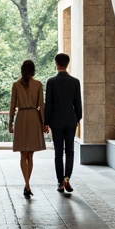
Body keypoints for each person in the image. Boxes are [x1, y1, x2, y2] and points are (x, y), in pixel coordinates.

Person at [44, 52, 82, 193]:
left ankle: (60, 182)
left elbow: (49, 104)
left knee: (58, 153)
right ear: (67, 64)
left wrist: (46, 122)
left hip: (56, 121)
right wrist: (77, 118)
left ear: (56, 63)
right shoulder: (75, 81)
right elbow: (78, 103)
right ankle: (67, 178)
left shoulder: (51, 82)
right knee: (70, 151)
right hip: (70, 120)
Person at [8, 59, 45, 197]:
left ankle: (27, 184)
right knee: (31, 154)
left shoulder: (16, 85)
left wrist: (10, 122)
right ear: (33, 70)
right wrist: (43, 123)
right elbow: (41, 105)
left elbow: (12, 106)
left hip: (22, 117)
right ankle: (27, 184)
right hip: (34, 117)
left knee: (23, 154)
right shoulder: (38, 85)